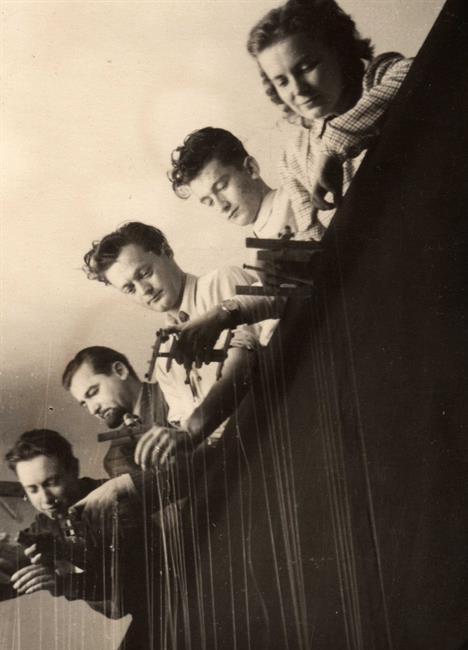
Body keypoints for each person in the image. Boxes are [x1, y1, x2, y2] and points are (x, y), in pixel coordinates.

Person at [82, 221, 281, 468]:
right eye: (130, 289)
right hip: (245, 462)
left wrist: (191, 431)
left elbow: (244, 366)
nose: (144, 291)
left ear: (166, 251)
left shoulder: (221, 281)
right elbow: (198, 441)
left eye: (144, 274)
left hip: (277, 431)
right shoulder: (164, 357)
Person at [246, 0, 412, 238]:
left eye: (306, 67)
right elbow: (315, 236)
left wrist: (332, 148)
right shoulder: (292, 159)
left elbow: (416, 71)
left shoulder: (383, 76)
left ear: (340, 51)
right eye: (282, 82)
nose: (298, 90)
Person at [1, 429, 165, 649]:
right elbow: (21, 557)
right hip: (143, 616)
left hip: (173, 605)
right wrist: (6, 554)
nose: (46, 499)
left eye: (52, 482)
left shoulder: (114, 502)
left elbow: (127, 586)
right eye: (33, 490)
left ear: (73, 469)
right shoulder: (47, 522)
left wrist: (64, 584)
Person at [169, 126, 300, 240]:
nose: (221, 206)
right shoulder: (261, 231)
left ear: (251, 168)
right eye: (210, 202)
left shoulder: (296, 199)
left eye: (222, 187)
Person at [62, 346, 169, 477]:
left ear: (120, 371)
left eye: (93, 392)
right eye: (84, 404)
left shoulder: (175, 392)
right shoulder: (114, 458)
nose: (92, 410)